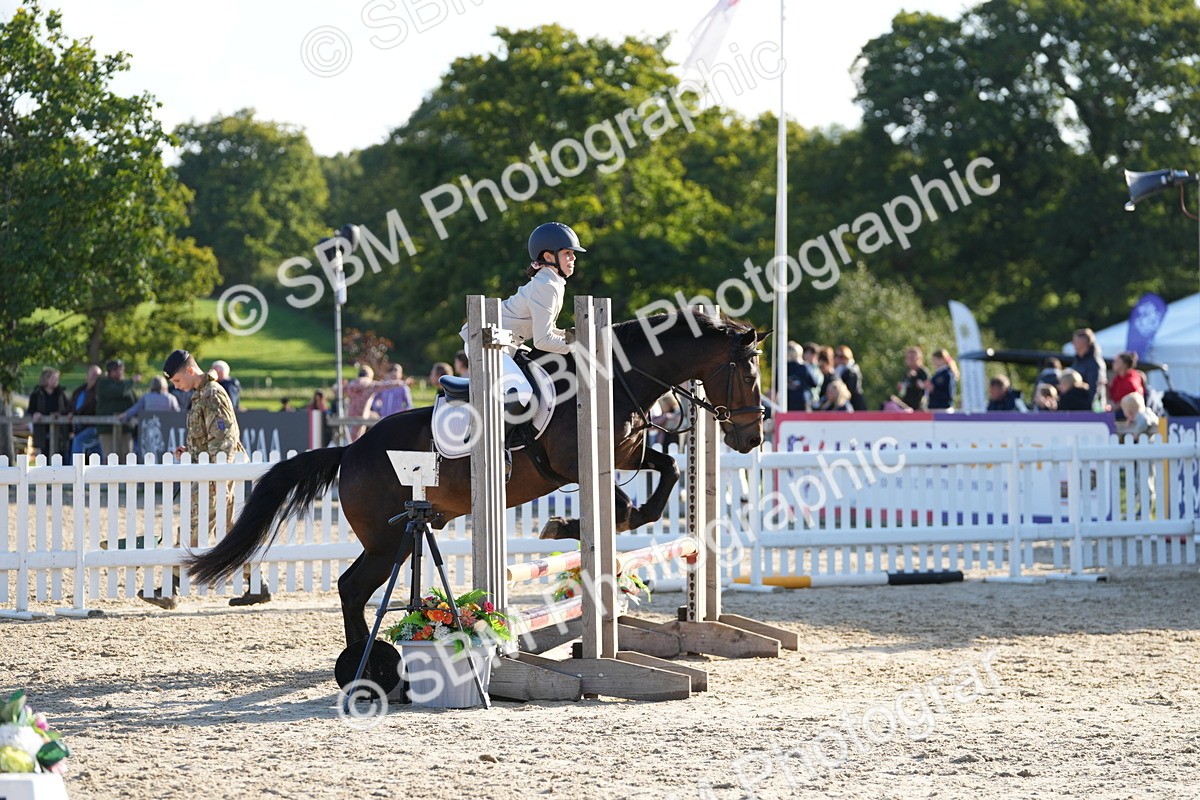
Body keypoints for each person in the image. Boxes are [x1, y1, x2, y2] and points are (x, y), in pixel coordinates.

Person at [141, 349, 266, 609]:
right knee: (233, 531)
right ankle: (257, 585)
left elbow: (226, 441)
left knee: (191, 528)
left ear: (190, 370)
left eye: (176, 381)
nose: (177, 386)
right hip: (211, 473)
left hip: (214, 477)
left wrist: (212, 476)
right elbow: (210, 440)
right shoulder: (201, 395)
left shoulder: (212, 394)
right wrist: (192, 452)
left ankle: (168, 589)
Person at [457, 221, 585, 407]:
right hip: (485, 342)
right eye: (568, 253)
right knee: (523, 392)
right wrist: (579, 344)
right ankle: (499, 436)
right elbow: (543, 340)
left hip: (503, 343)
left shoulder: (552, 282)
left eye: (573, 254)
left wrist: (577, 336)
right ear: (548, 256)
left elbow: (550, 330)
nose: (573, 258)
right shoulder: (546, 286)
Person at [342, 364, 406, 441]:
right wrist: (400, 383)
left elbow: (336, 389)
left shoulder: (351, 385)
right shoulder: (369, 385)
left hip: (350, 416)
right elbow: (384, 385)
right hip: (361, 418)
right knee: (356, 441)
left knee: (348, 440)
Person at [95, 359, 138, 460]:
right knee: (110, 458)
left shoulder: (126, 385)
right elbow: (118, 391)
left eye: (121, 369)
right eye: (118, 370)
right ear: (111, 371)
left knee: (127, 458)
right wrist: (131, 381)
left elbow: (133, 402)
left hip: (125, 428)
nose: (121, 372)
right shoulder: (103, 383)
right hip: (107, 430)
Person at [28, 368, 69, 459]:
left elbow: (67, 408)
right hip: (42, 431)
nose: (55, 381)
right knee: (44, 457)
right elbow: (31, 409)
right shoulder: (37, 394)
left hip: (60, 432)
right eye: (53, 378)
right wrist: (36, 413)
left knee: (60, 458)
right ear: (46, 379)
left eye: (56, 379)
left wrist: (59, 414)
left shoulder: (60, 393)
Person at [68, 365, 103, 460]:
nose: (94, 377)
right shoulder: (79, 391)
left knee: (78, 441)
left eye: (97, 375)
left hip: (93, 426)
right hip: (79, 427)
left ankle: (74, 467)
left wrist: (75, 413)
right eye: (92, 374)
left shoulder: (100, 391)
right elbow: (70, 406)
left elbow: (91, 407)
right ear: (87, 375)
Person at [1071, 328, 1106, 408]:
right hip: (1078, 404)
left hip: (1092, 407)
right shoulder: (1077, 360)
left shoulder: (1094, 362)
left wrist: (1089, 407)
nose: (1073, 344)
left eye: (1075, 341)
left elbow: (1095, 388)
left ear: (1084, 341)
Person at [1108, 352, 1145, 417]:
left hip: (1132, 415)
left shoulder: (1131, 381)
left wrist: (1117, 406)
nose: (1113, 364)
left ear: (1124, 365)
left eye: (1116, 362)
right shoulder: (1117, 378)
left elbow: (1134, 401)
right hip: (1123, 412)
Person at [896, 346, 929, 411]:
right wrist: (900, 386)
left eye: (912, 358)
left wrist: (916, 379)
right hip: (906, 407)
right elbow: (901, 391)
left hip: (919, 408)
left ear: (918, 358)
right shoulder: (906, 372)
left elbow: (927, 390)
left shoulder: (923, 372)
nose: (909, 360)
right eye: (908, 358)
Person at [833, 346, 866, 411]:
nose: (838, 359)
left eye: (841, 357)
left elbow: (851, 389)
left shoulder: (852, 371)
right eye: (836, 356)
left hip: (854, 404)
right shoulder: (836, 371)